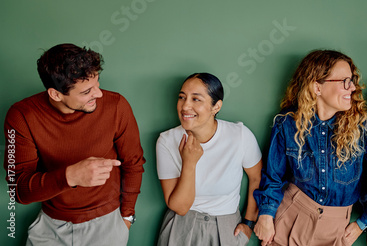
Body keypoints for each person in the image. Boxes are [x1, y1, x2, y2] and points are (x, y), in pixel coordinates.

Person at [253, 50, 367, 246]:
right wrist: (266, 215)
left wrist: (363, 223)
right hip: (290, 219)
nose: (352, 87)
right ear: (317, 87)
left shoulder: (365, 127)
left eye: (352, 80)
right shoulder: (288, 123)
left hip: (336, 229)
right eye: (344, 81)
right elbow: (273, 175)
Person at [3, 43, 145, 246]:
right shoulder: (21, 116)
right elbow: (17, 189)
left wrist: (127, 218)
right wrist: (71, 176)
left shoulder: (116, 106)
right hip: (50, 227)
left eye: (97, 84)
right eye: (87, 91)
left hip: (108, 226)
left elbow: (133, 164)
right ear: (56, 94)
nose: (99, 94)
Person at [156, 72, 263, 245]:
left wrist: (249, 222)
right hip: (181, 228)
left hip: (227, 227)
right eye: (182, 97)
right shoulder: (167, 141)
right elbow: (180, 207)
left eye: (196, 99)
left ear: (216, 106)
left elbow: (257, 177)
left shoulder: (240, 135)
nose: (185, 106)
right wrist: (189, 163)